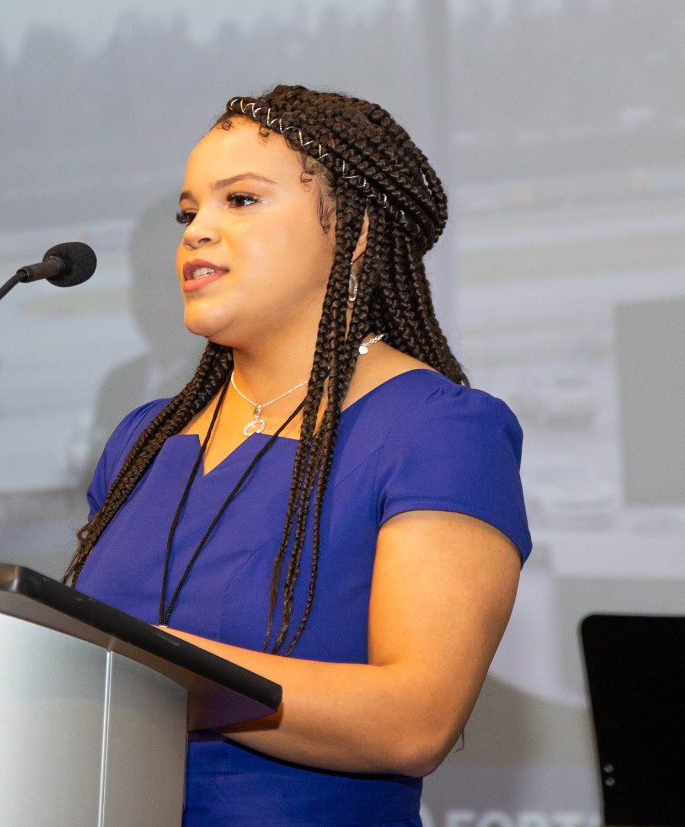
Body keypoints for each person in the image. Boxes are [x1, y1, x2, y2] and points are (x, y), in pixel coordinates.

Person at [67, 86, 529, 827]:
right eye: (189, 213)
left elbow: (417, 719)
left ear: (351, 230)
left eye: (240, 201)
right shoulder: (143, 441)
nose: (196, 232)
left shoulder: (438, 430)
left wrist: (156, 667)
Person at [84, 192, 206, 489]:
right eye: (145, 278)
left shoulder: (234, 378)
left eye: (171, 277)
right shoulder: (118, 385)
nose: (157, 299)